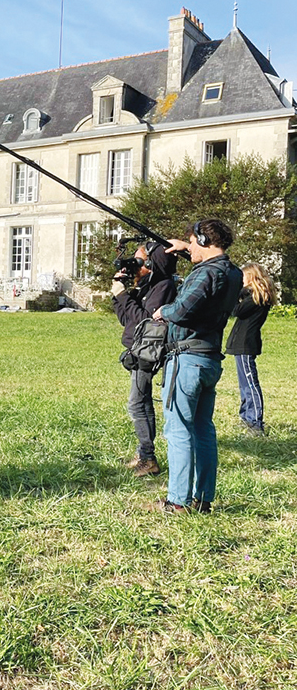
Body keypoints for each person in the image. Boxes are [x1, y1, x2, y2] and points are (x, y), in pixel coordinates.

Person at [149, 219, 243, 515]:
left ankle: (178, 502)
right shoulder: (233, 273)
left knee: (178, 430)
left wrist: (164, 310)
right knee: (203, 430)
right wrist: (183, 249)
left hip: (186, 360)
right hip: (210, 359)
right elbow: (209, 281)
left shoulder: (205, 274)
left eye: (192, 242)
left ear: (203, 240)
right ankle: (202, 499)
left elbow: (183, 310)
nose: (188, 248)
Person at [111, 242, 178, 477]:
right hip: (138, 349)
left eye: (139, 260)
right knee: (141, 401)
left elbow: (146, 323)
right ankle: (144, 453)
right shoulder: (149, 286)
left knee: (137, 403)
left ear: (151, 263)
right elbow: (127, 319)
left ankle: (148, 459)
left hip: (147, 350)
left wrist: (124, 297)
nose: (135, 264)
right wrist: (120, 294)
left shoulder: (163, 286)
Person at [225, 263, 276, 435]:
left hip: (246, 344)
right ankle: (247, 418)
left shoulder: (257, 298)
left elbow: (236, 310)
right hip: (242, 344)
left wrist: (233, 292)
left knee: (250, 384)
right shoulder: (252, 296)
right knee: (244, 385)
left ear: (252, 277)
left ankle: (255, 421)